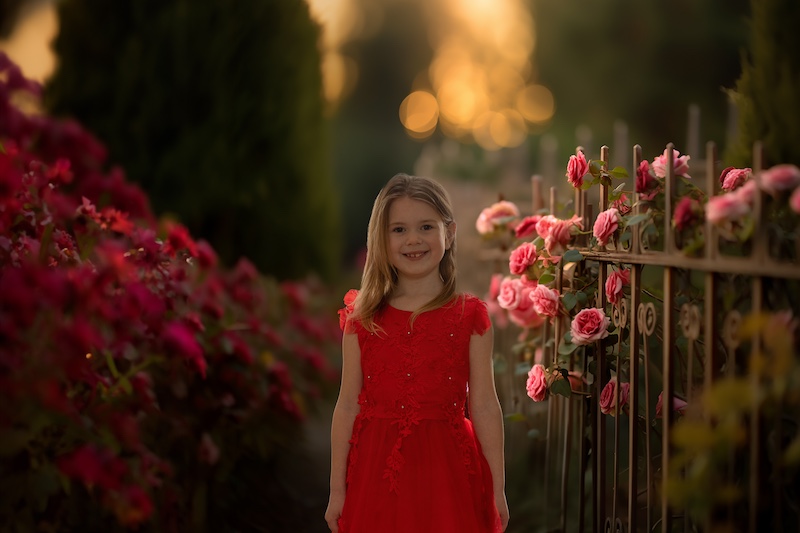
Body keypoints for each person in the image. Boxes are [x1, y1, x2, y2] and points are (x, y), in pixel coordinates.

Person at [325, 173, 509, 532]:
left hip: (449, 473)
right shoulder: (362, 318)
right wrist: (336, 490)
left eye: (426, 226)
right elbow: (347, 404)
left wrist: (497, 489)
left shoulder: (469, 315)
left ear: (449, 232)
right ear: (382, 238)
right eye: (398, 230)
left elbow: (485, 404)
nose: (413, 240)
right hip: (375, 475)